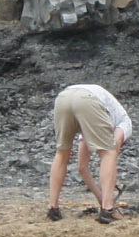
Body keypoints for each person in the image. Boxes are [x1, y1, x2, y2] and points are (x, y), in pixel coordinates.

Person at [44, 82, 132, 224]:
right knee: (108, 153)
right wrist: (107, 199)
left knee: (62, 153)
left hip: (64, 97)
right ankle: (108, 210)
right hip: (89, 100)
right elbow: (114, 148)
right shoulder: (124, 123)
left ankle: (53, 208)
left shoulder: (94, 121)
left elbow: (82, 167)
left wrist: (101, 196)